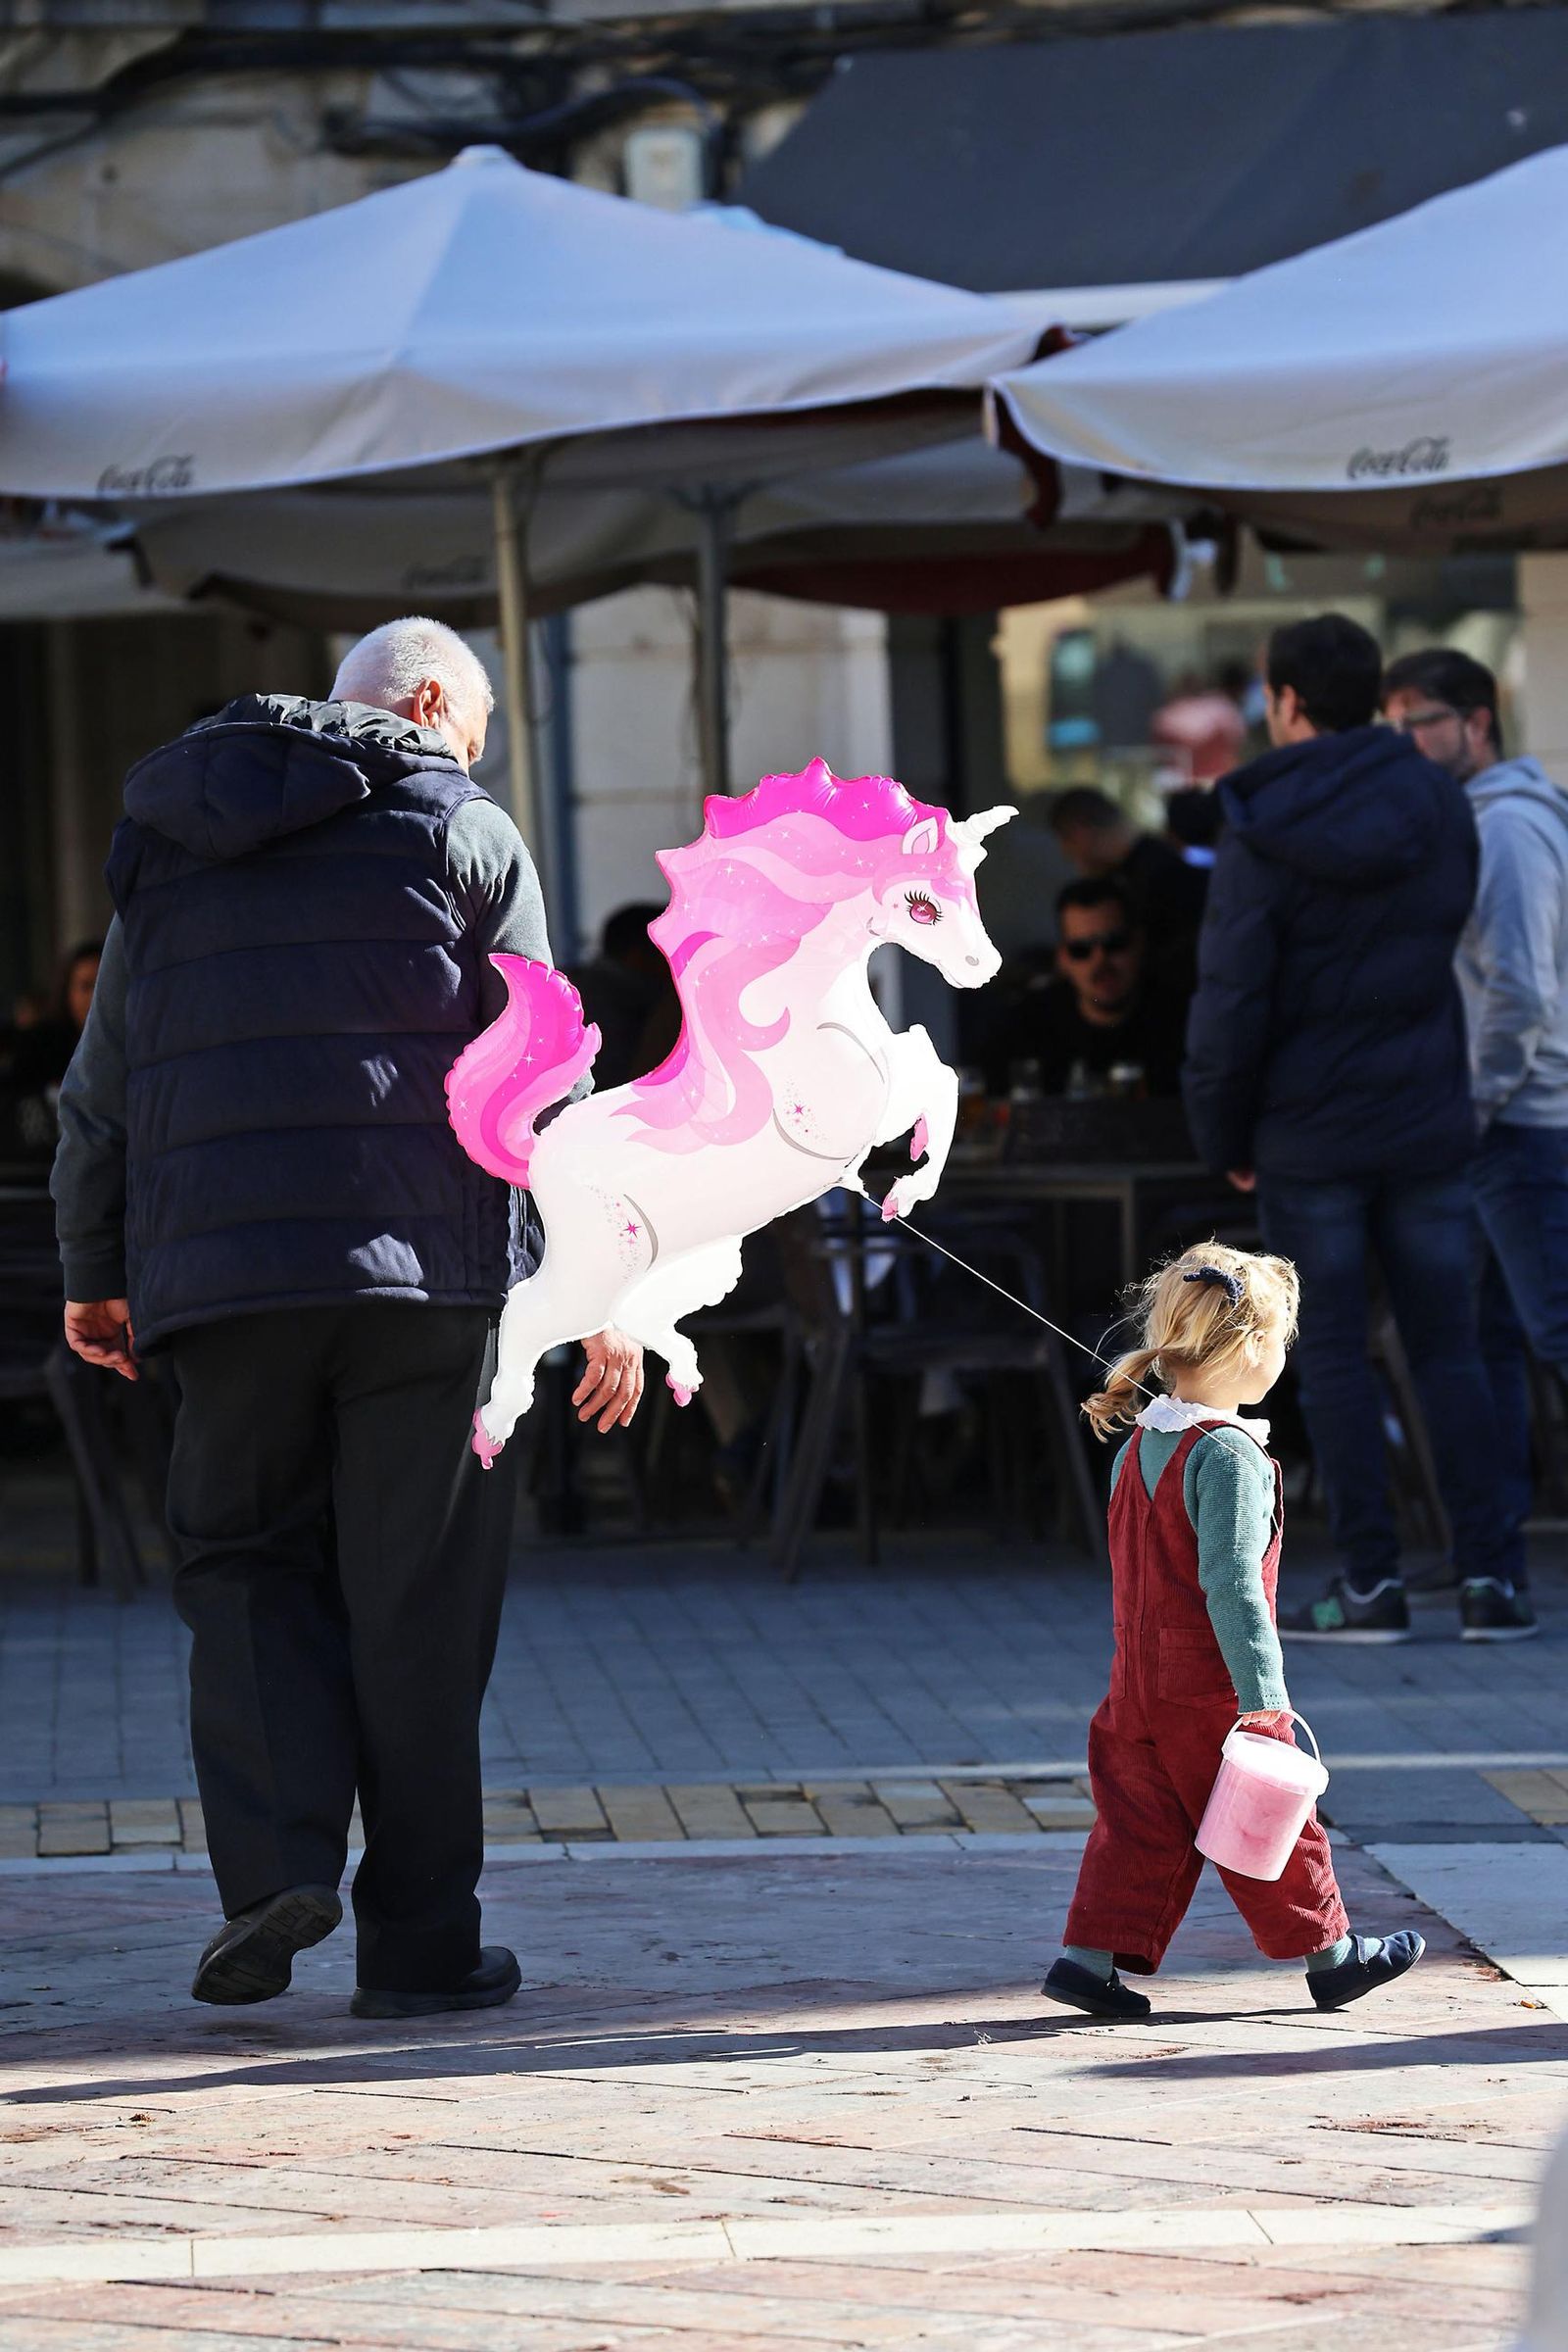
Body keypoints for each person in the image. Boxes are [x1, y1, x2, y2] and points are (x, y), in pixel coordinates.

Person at [51, 617, 645, 2017]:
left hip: (222, 1278)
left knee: (246, 1567)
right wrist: (602, 1283)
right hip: (427, 1281)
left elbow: (102, 1085)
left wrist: (94, 1267)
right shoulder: (463, 826)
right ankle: (422, 1945)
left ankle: (272, 1877)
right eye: (480, 727)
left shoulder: (165, 835)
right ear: (435, 704)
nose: (479, 752)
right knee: (420, 1600)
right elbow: (546, 1076)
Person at [1184, 612, 1530, 1643]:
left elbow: (1231, 995)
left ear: (1284, 703)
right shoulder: (1437, 798)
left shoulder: (1256, 818)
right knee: (1448, 1349)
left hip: (1307, 1128)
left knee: (1329, 1354)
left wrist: (1222, 1130)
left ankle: (1371, 1584)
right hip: (1426, 1111)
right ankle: (1492, 1581)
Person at [1042, 1244, 1424, 2022]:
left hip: (1134, 1683)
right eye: (1281, 1340)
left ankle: (1086, 1962)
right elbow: (1232, 1586)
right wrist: (1265, 1698)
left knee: (1138, 1827)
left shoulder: (1142, 1445)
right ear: (1250, 1346)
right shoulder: (1230, 1455)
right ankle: (1332, 1956)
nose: (1283, 1354)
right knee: (1273, 1816)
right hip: (1210, 1685)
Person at [1384, 647, 1568, 1608]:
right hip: (1507, 1128)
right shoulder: (1481, 823)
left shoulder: (1507, 832)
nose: (1405, 743)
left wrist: (1470, 1107)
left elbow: (1523, 998)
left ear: (1476, 722)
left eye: (1420, 721)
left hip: (1524, 1127)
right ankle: (1492, 1564)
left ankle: (1493, 1560)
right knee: (1487, 1347)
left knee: (1547, 1336)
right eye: (1395, 724)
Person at [980, 877, 1186, 1098]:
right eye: (1081, 949)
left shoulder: (1183, 1021)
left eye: (1114, 943)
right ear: (1063, 958)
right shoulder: (1025, 1026)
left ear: (1139, 942)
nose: (1100, 961)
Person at [1049, 785, 1210, 980]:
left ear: (1080, 831)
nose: (1067, 854)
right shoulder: (1155, 866)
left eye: (1066, 841)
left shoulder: (1153, 882)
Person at [567, 901, 677, 1092]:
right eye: (670, 950)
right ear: (638, 955)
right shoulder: (620, 1002)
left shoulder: (577, 987)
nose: (677, 960)